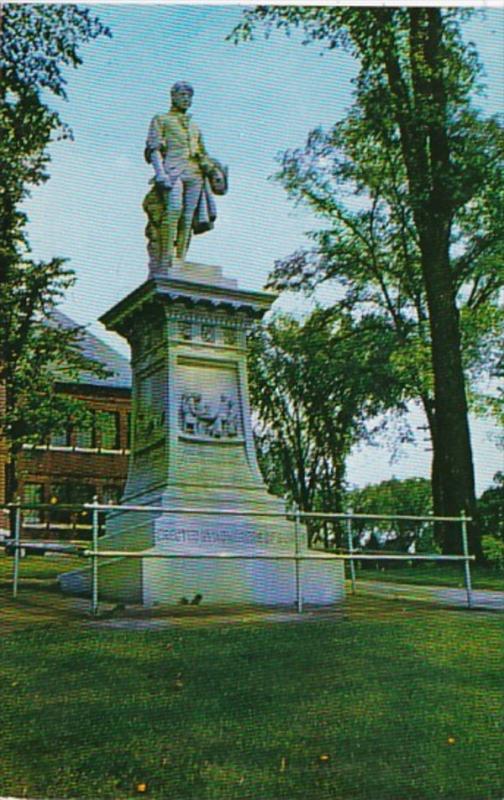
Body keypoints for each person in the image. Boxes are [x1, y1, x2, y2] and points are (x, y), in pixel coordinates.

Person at [143, 82, 227, 272]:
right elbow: (154, 149)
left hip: (194, 173)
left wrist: (213, 170)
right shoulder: (161, 119)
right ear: (173, 96)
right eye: (182, 95)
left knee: (188, 218)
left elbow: (202, 153)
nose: (186, 99)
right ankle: (166, 259)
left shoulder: (194, 127)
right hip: (173, 170)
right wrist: (160, 173)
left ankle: (180, 259)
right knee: (174, 210)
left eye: (189, 96)